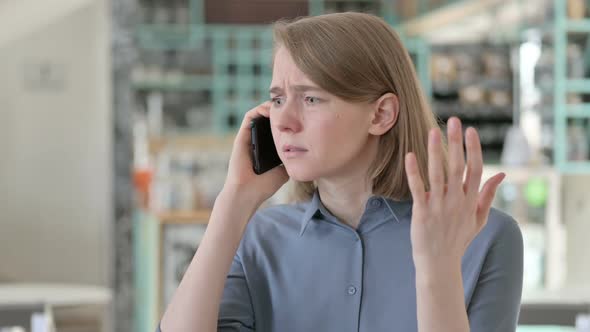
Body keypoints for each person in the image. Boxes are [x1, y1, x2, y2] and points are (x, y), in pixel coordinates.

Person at [158, 12, 523, 332]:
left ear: (381, 114)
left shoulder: (486, 236)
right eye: (278, 98)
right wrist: (234, 200)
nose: (282, 121)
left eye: (311, 98)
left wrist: (438, 270)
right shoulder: (261, 239)